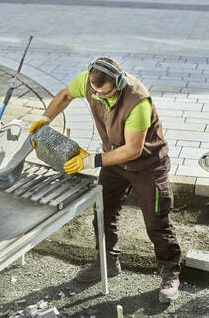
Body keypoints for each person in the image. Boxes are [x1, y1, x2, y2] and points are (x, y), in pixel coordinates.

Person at [29, 57, 181, 303]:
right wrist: (45, 120)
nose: (98, 96)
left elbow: (133, 149)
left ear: (118, 84)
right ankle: (107, 262)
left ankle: (170, 273)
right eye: (95, 92)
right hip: (114, 162)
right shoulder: (90, 83)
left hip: (147, 166)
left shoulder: (137, 101)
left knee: (156, 221)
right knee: (103, 213)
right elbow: (66, 95)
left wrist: (91, 161)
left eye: (105, 93)